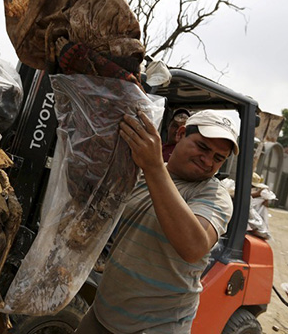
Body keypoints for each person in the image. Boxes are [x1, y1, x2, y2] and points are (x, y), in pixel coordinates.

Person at [75, 109, 237, 334]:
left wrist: (154, 166)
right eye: (203, 147)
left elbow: (193, 247)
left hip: (157, 327)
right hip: (103, 313)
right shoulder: (140, 174)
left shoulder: (213, 194)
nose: (208, 161)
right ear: (180, 134)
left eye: (218, 158)